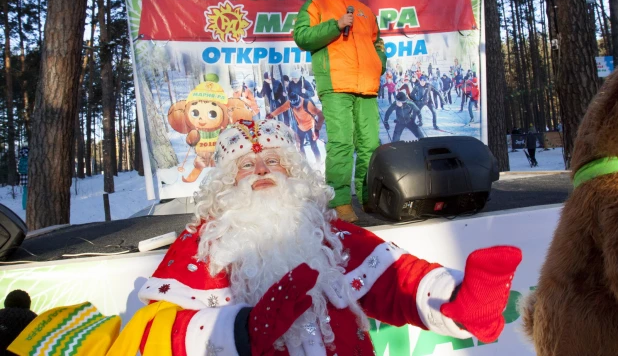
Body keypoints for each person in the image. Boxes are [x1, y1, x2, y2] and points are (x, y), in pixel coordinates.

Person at [107, 119, 522, 355]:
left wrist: (460, 297)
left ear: (294, 173)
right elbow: (149, 336)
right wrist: (241, 331)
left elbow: (398, 279)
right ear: (225, 184)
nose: (262, 171)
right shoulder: (202, 247)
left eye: (273, 161)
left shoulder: (328, 234)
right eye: (247, 166)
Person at [293, 0, 387, 222]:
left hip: (367, 86)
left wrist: (378, 63)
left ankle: (370, 198)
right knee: (342, 144)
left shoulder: (366, 11)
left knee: (371, 145)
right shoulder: (316, 5)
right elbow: (302, 36)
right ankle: (341, 202)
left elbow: (378, 43)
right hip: (336, 85)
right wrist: (336, 25)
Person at [267, 92, 324, 163]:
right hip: (300, 127)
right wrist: (272, 114)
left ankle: (319, 163)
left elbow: (321, 114)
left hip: (310, 127)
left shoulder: (307, 104)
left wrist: (317, 129)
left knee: (313, 147)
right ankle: (304, 162)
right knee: (300, 147)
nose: (297, 107)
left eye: (298, 105)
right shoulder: (290, 103)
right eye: (295, 106)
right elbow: (282, 108)